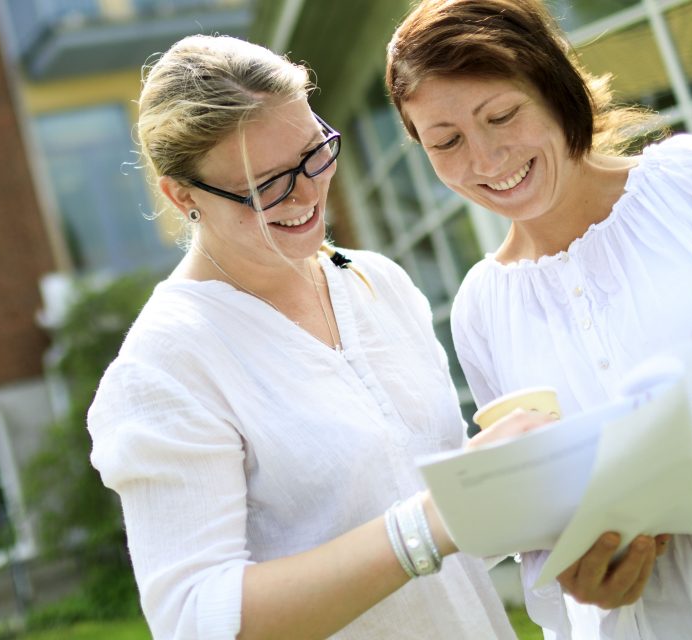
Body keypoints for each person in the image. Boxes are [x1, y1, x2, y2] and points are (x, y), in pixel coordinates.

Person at [86, 34, 660, 639]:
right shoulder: (165, 366)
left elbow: (462, 539)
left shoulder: (375, 283)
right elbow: (197, 621)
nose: (307, 194)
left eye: (315, 154)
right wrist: (432, 523)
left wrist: (576, 511)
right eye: (267, 186)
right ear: (182, 195)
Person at [385, 0, 692, 638]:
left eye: (502, 115)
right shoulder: (482, 307)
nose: (484, 160)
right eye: (445, 141)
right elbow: (540, 509)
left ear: (555, 86)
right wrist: (582, 572)